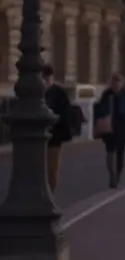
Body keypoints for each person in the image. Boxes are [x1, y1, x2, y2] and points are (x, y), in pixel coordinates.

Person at [93, 72, 125, 188]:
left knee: (120, 154)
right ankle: (112, 174)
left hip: (122, 128)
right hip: (109, 128)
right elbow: (99, 109)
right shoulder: (107, 95)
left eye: (118, 81)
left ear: (122, 83)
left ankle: (118, 173)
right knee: (110, 152)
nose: (115, 84)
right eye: (113, 81)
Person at [41, 65, 77, 194]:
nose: (45, 82)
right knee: (39, 168)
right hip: (38, 137)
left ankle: (50, 193)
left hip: (54, 136)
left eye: (47, 79)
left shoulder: (60, 94)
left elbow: (65, 115)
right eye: (43, 79)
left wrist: (55, 122)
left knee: (52, 168)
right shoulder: (36, 93)